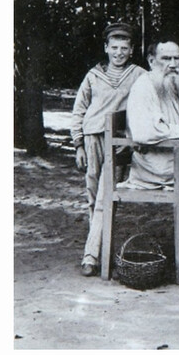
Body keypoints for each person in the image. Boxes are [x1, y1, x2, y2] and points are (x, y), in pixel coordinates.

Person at [80, 36, 179, 277]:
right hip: (157, 166)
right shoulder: (144, 86)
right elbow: (145, 132)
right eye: (166, 59)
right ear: (152, 60)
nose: (172, 64)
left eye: (176, 58)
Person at [70, 23, 145, 224]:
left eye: (123, 49)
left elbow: (148, 108)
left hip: (119, 140)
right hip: (92, 137)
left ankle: (99, 244)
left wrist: (133, 138)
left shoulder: (139, 75)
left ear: (131, 51)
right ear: (106, 48)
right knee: (92, 186)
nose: (118, 53)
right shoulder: (93, 76)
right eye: (114, 48)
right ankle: (98, 242)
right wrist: (79, 145)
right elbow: (79, 110)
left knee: (109, 190)